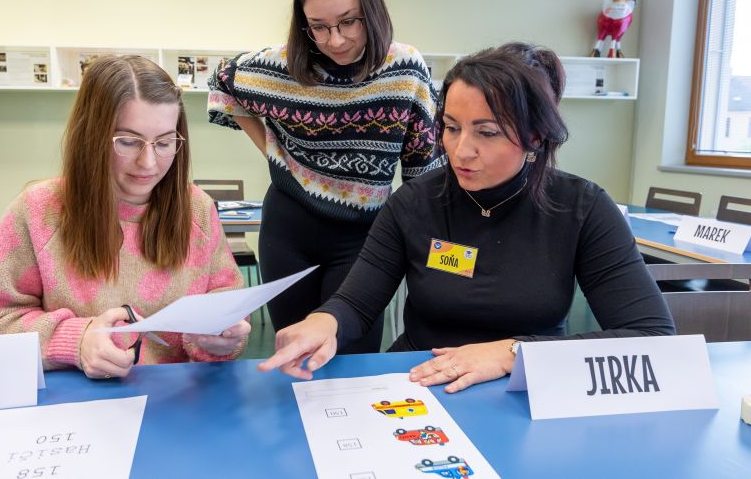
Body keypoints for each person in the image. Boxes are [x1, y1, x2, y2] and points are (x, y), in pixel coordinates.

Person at [258, 42, 675, 391]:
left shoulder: (582, 208)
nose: (460, 151)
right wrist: (323, 322)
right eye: (451, 127)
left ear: (535, 135)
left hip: (528, 385)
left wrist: (512, 352)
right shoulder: (415, 202)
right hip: (420, 380)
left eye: (487, 132)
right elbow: (357, 301)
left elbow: (653, 337)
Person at [207, 0, 441, 353]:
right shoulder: (281, 65)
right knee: (293, 353)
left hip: (364, 238)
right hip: (288, 229)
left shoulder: (404, 68)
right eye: (318, 26)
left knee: (353, 357)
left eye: (348, 21)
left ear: (371, 8)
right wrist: (275, 153)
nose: (335, 39)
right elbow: (223, 85)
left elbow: (423, 170)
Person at [0, 55, 250, 379]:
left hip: (178, 402)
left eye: (164, 142)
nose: (148, 162)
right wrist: (76, 341)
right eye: (128, 141)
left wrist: (219, 340)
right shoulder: (37, 211)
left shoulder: (197, 209)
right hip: (77, 404)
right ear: (91, 136)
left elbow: (225, 301)